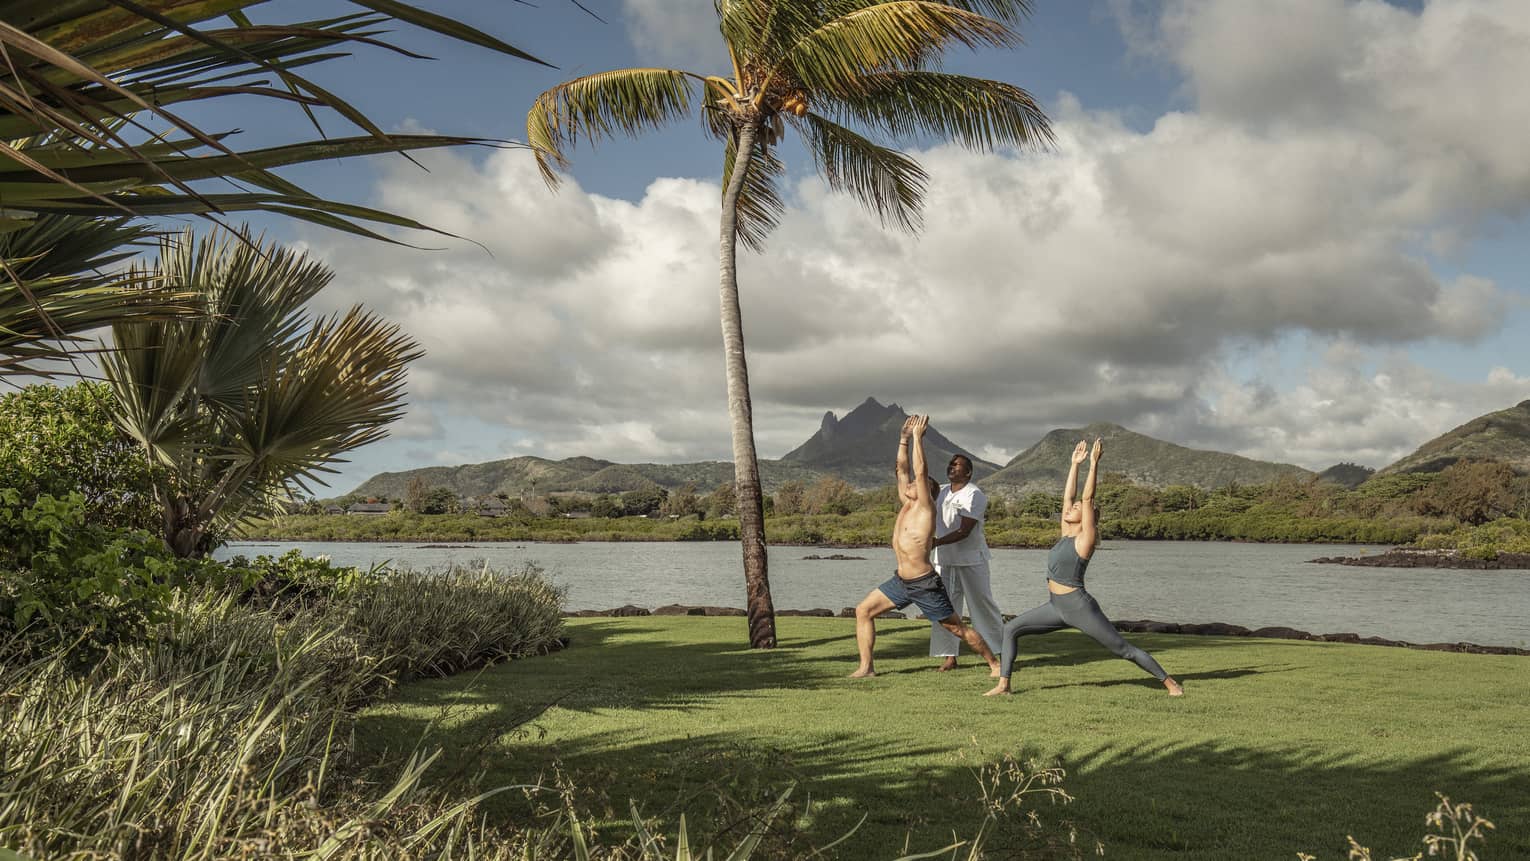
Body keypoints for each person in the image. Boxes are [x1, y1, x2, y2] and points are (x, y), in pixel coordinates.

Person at [985, 438, 1183, 697]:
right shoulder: (1066, 533)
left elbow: (1087, 498)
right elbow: (1068, 497)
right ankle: (1004, 685)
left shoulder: (1085, 539)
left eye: (1077, 509)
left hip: (1079, 607)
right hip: (1056, 606)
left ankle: (1170, 684)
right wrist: (1074, 465)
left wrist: (1093, 464)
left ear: (1088, 517)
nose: (1071, 508)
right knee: (1010, 629)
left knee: (1122, 649)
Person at [851, 415, 999, 678]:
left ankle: (995, 664)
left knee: (957, 628)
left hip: (924, 583)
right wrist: (903, 439)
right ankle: (866, 667)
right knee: (863, 611)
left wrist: (919, 438)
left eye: (914, 485)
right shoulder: (907, 503)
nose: (907, 484)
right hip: (901, 582)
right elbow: (902, 469)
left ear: (924, 491)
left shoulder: (925, 507)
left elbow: (919, 472)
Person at [926, 453, 1002, 670]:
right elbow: (923, 481)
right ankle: (949, 656)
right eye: (950, 464)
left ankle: (999, 651)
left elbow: (964, 531)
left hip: (971, 560)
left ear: (968, 472)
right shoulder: (940, 491)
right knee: (945, 608)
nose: (952, 467)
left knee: (982, 605)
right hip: (945, 561)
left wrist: (936, 542)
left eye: (957, 465)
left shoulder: (974, 495)